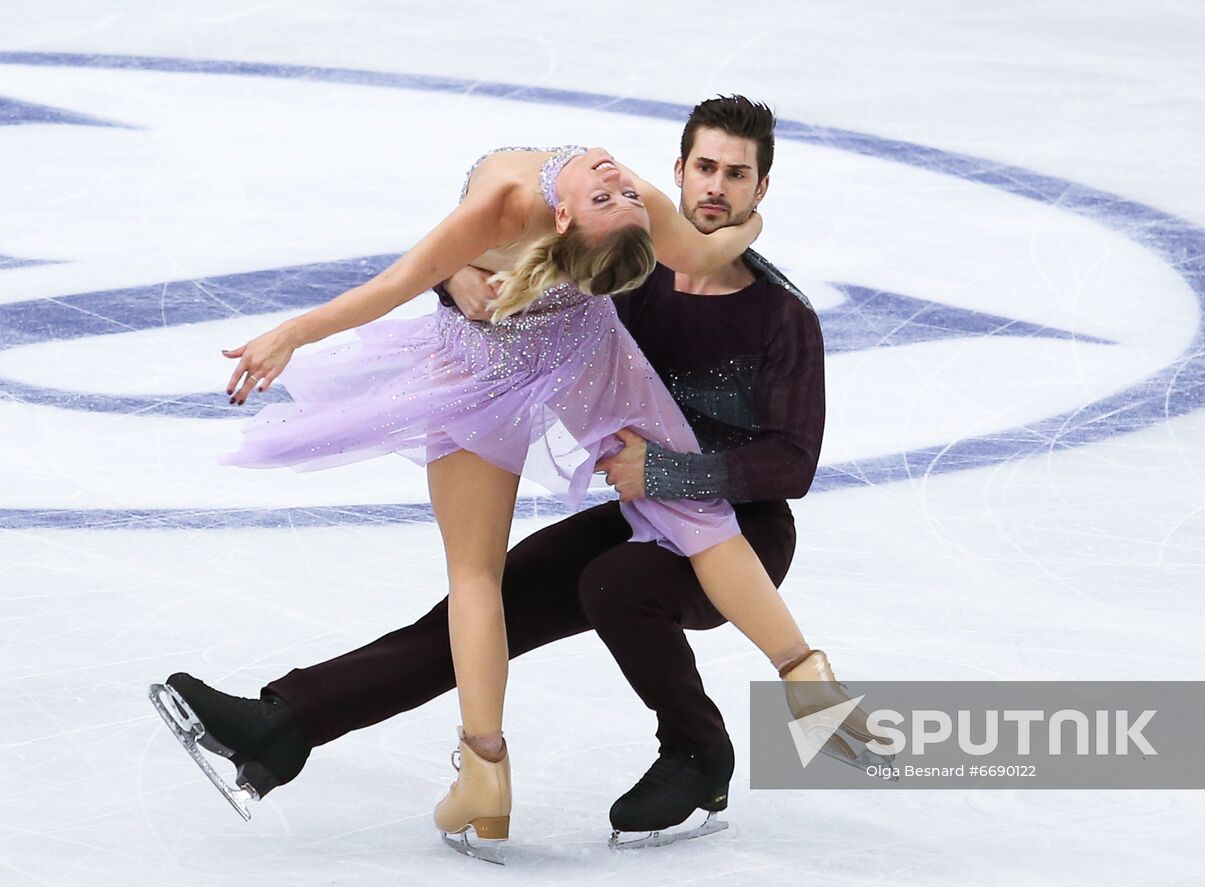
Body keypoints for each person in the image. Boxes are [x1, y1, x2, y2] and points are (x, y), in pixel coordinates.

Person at [155, 97, 873, 858]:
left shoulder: (777, 313)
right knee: (479, 597)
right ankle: (283, 727)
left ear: (762, 187)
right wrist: (456, 278)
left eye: (737, 177)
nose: (715, 190)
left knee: (615, 581)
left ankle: (704, 751)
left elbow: (790, 465)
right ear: (678, 171)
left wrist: (660, 465)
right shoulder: (638, 258)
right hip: (598, 452)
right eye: (704, 169)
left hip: (739, 524)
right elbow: (507, 263)